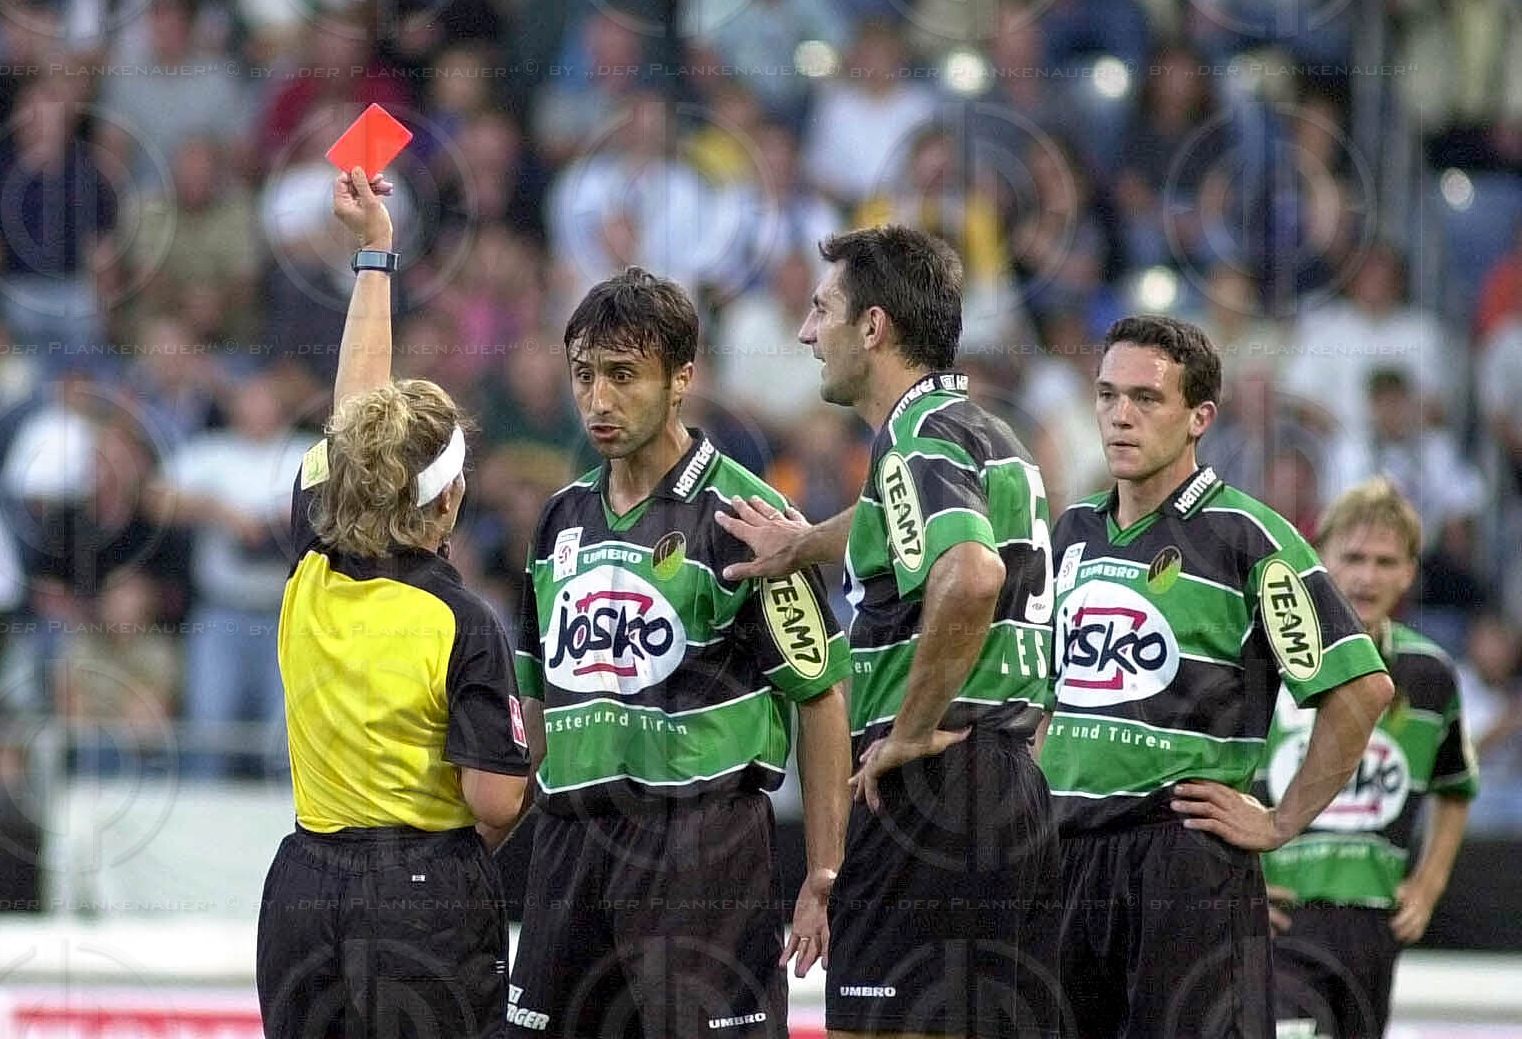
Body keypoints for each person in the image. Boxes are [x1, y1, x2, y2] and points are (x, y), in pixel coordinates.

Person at [717, 225, 1062, 1039]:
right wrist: (804, 542)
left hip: (930, 785)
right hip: (1009, 784)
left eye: (821, 309)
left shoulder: (913, 443)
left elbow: (969, 573)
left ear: (872, 327)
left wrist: (906, 731)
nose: (807, 332)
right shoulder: (982, 432)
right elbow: (907, 523)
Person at [508, 268, 853, 1038]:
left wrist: (824, 871)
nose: (598, 400)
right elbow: (536, 704)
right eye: (584, 375)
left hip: (701, 846)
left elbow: (822, 695)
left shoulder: (751, 518)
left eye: (623, 375)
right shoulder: (558, 520)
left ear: (681, 379)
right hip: (570, 845)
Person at [1040, 315, 1395, 1037]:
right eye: (1107, 395)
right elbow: (1046, 699)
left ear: (1200, 417)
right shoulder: (1071, 531)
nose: (1120, 416)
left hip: (1181, 860)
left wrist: (1282, 820)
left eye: (1146, 398)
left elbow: (1362, 689)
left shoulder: (1248, 538)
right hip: (1067, 858)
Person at [255, 167, 531, 1039]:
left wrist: (374, 255)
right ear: (449, 501)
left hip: (301, 887)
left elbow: (355, 412)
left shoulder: (311, 565)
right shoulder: (463, 621)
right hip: (423, 891)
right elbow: (495, 802)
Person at [1262, 479, 1478, 1039]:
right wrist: (1237, 885)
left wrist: (1428, 885)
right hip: (1282, 920)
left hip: (1373, 928)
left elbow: (1455, 787)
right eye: (1353, 557)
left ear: (1409, 573)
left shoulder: (1431, 674)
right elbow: (1217, 776)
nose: (1367, 576)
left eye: (1385, 562)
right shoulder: (1269, 662)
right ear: (1319, 559)